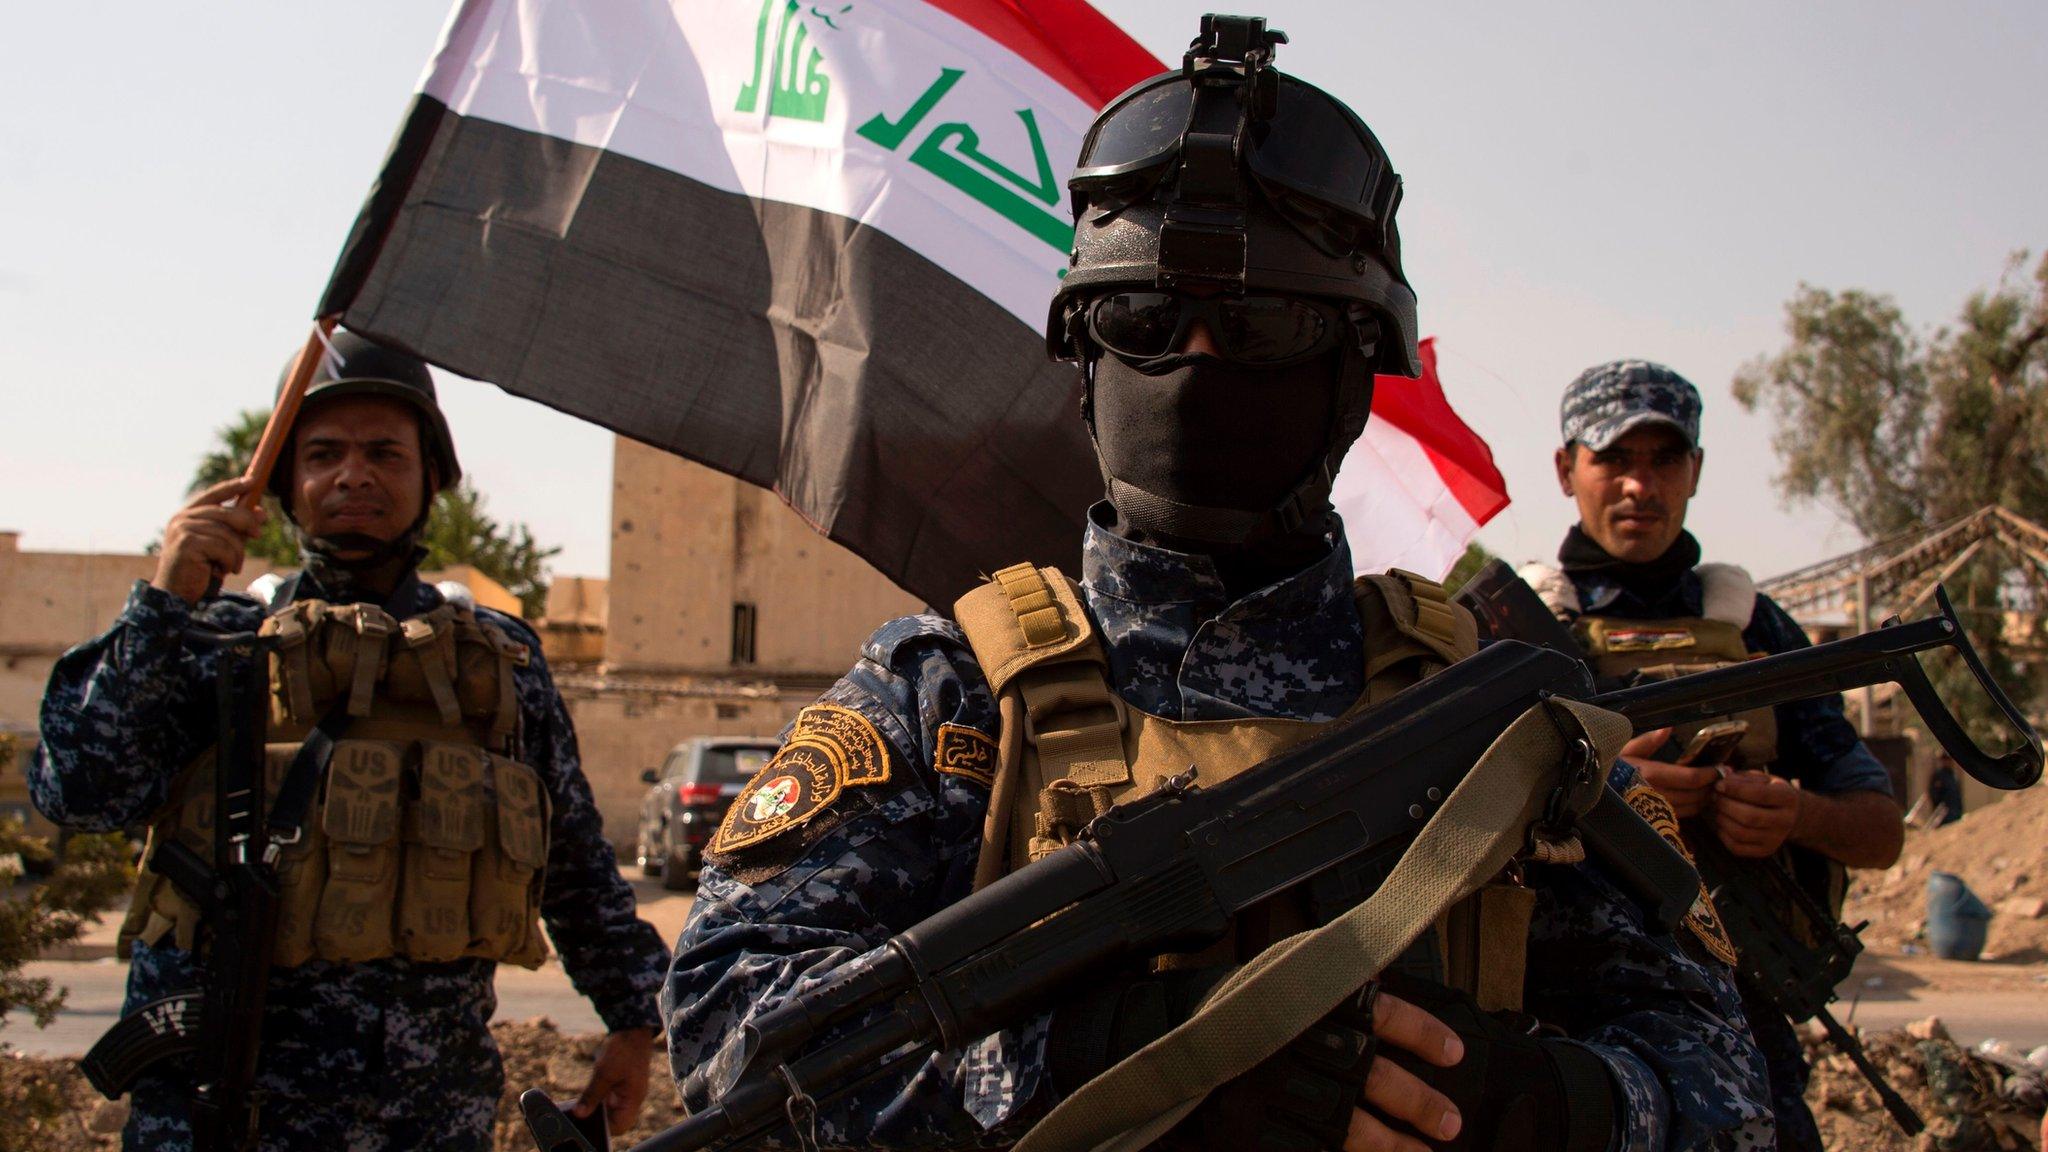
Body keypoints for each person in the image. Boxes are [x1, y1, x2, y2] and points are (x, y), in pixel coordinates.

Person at [664, 16, 1771, 1152]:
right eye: (1140, 322)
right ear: (1085, 365)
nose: (1195, 365)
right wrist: (1102, 1060)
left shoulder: (1495, 718)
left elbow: (1727, 1086)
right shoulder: (946, 706)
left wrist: (1531, 1106)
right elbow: (730, 1044)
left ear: (1350, 375)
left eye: (1259, 325)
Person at [32, 333, 671, 1150]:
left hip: (425, 1120)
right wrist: (162, 601)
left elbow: (575, 866)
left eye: (385, 453)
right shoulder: (208, 646)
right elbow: (81, 793)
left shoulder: (498, 664)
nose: (353, 476)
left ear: (431, 477)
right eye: (324, 453)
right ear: (284, 482)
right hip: (217, 1117)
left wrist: (632, 1020)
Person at [1527, 358, 1906, 1152]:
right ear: (1568, 470)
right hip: (1559, 1023)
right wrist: (1608, 787)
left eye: (1664, 459)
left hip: (1749, 1024)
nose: (1640, 485)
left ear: (1694, 470)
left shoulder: (1756, 628)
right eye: (1613, 458)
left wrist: (1796, 814)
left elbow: (1879, 830)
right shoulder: (1513, 629)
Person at [1924, 753, 1965, 827]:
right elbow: (1933, 793)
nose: (1947, 762)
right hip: (1943, 813)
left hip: (1955, 810)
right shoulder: (1938, 775)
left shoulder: (1953, 775)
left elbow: (1957, 793)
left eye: (1948, 760)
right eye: (1945, 760)